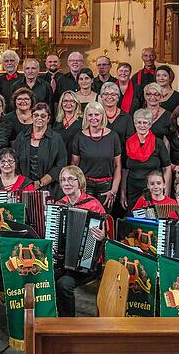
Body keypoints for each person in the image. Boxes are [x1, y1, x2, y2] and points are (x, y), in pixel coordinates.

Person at [54, 165, 108, 317]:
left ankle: (68, 324)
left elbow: (108, 237)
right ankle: (50, 318)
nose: (67, 183)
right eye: (63, 180)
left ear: (80, 181)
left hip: (88, 264)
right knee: (45, 275)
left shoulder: (94, 205)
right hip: (62, 261)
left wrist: (103, 237)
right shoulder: (59, 205)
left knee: (64, 284)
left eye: (71, 179)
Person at [70, 102, 122, 211]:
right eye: (90, 115)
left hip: (107, 185)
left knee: (104, 220)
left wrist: (114, 190)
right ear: (86, 117)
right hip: (85, 185)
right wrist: (77, 187)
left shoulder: (113, 136)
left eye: (96, 115)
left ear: (102, 116)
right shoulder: (79, 137)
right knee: (85, 220)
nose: (93, 118)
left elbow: (118, 166)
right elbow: (74, 166)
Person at [121, 109, 172, 210]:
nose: (142, 125)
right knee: (134, 219)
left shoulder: (158, 143)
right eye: (139, 122)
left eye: (145, 123)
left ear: (150, 125)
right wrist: (123, 192)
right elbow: (124, 170)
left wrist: (166, 190)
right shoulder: (128, 143)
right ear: (134, 124)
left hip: (154, 189)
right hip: (133, 190)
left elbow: (167, 168)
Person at [13, 103, 68, 195]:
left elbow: (60, 165)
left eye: (43, 116)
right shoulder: (22, 136)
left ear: (48, 118)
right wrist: (26, 183)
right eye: (36, 115)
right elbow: (15, 160)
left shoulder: (56, 139)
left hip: (50, 189)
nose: (39, 118)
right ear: (32, 117)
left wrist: (40, 183)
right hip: (23, 187)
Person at [51, 91, 83, 162]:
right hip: (58, 160)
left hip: (76, 160)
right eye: (65, 101)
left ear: (76, 103)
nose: (68, 104)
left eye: (72, 101)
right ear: (61, 104)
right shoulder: (57, 121)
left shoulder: (83, 121)